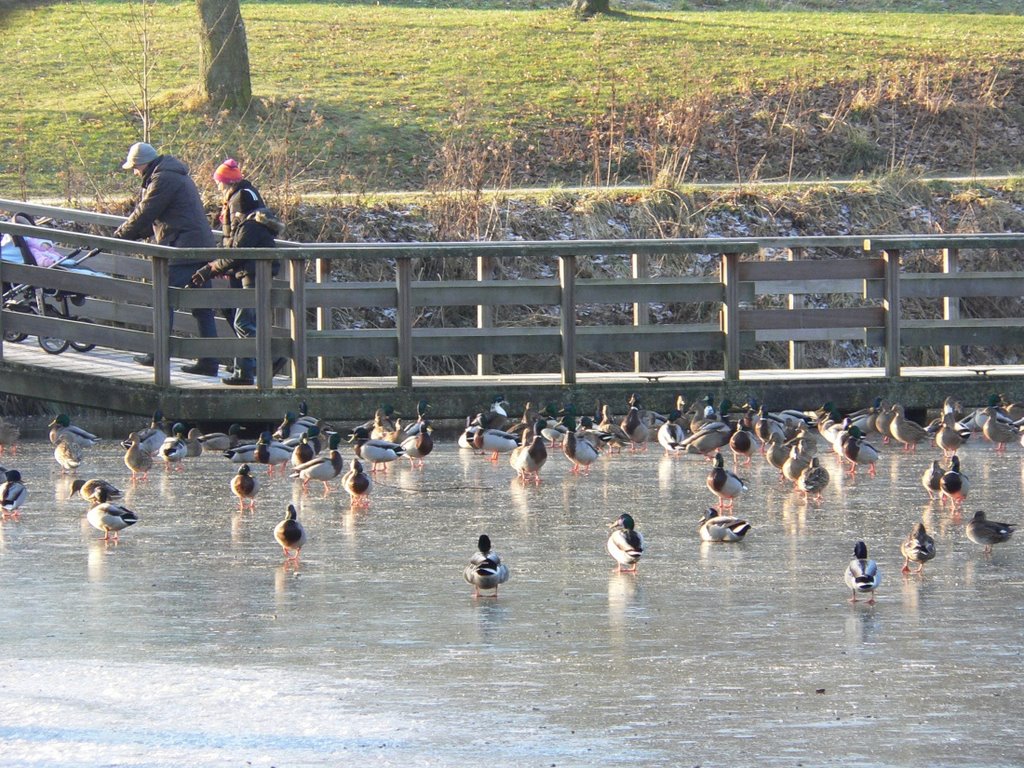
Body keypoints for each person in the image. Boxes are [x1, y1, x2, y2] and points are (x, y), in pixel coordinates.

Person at [113, 141, 219, 377]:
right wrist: (136, 234)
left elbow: (146, 211)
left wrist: (120, 236)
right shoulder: (171, 174)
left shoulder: (163, 179)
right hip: (197, 245)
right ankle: (209, 361)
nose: (134, 171)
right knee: (202, 308)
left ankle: (159, 354)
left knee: (163, 299)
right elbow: (159, 217)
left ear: (143, 164)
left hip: (183, 248)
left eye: (134, 167)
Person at [189, 159, 283, 386]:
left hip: (252, 272)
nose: (217, 187)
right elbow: (234, 246)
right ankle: (249, 365)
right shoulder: (248, 209)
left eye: (219, 182)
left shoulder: (248, 222)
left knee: (244, 322)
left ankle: (259, 364)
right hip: (247, 270)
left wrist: (212, 268)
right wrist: (223, 264)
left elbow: (237, 250)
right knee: (237, 315)